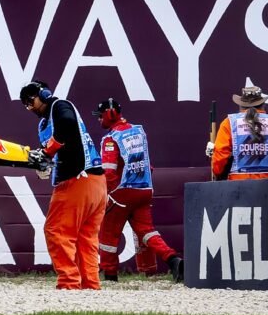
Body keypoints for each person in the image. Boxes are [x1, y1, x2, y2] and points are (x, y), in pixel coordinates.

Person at [20, 80, 108, 290]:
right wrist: (44, 161)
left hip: (76, 180)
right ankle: (90, 285)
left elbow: (66, 125)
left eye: (31, 100)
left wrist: (48, 151)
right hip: (96, 182)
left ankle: (68, 283)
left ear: (44, 94)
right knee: (86, 237)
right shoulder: (45, 122)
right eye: (26, 104)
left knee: (56, 230)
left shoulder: (59, 106)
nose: (30, 107)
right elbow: (59, 144)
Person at [93, 98, 184, 283]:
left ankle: (110, 275)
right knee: (147, 232)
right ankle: (173, 260)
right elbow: (148, 166)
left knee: (108, 235)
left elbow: (109, 172)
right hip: (144, 190)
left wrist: (105, 195)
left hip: (122, 193)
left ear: (109, 115)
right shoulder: (138, 132)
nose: (98, 120)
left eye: (100, 116)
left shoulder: (110, 139)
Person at [208, 84, 268, 181]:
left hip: (238, 186)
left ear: (241, 105)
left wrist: (217, 174)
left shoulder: (229, 122)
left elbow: (220, 155)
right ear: (263, 104)